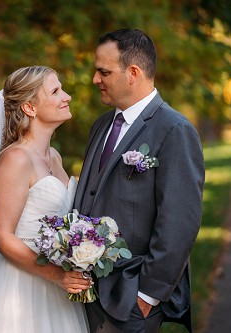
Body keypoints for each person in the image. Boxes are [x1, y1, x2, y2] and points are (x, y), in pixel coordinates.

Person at [73, 29, 205, 332]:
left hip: (131, 298)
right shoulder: (102, 125)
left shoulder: (174, 130)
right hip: (85, 293)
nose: (95, 79)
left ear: (133, 73)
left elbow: (179, 222)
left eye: (103, 71)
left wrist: (146, 295)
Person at [0, 66, 91, 332]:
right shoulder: (15, 159)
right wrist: (57, 275)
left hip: (57, 288)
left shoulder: (55, 156)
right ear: (30, 108)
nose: (67, 96)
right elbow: (0, 237)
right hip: (19, 288)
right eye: (55, 91)